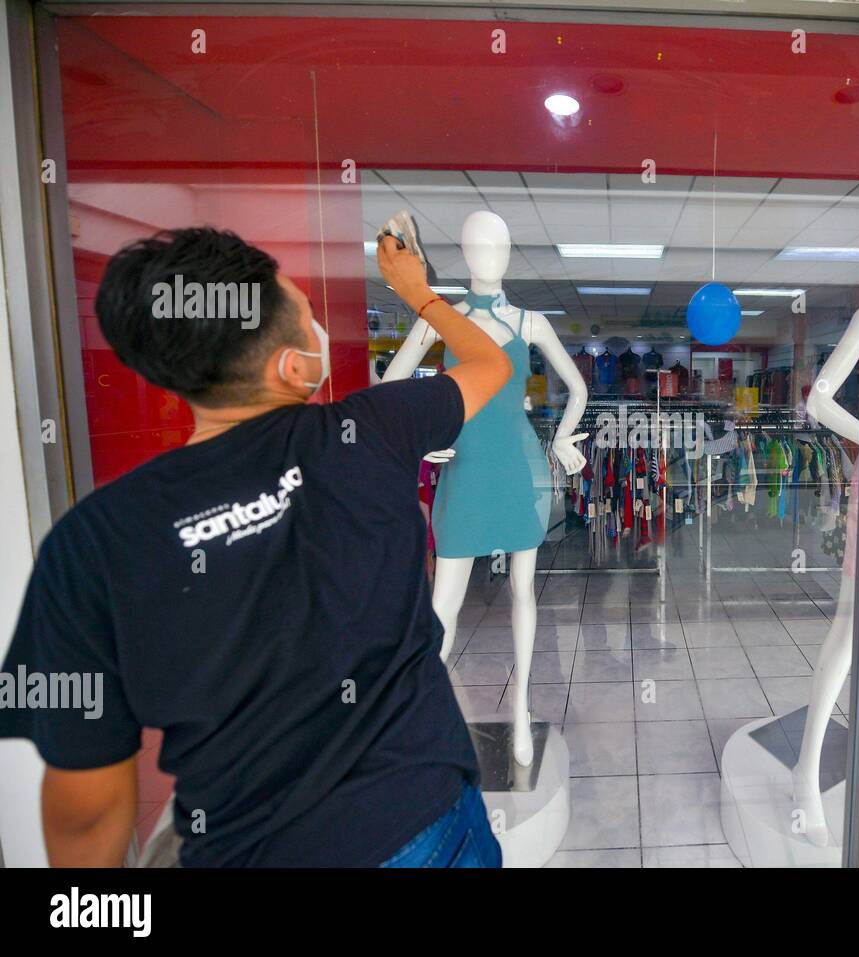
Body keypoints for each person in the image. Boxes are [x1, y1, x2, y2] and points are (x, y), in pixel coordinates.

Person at [0, 227, 512, 867]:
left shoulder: (94, 541)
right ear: (293, 365)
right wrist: (417, 291)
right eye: (305, 310)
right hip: (427, 823)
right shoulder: (374, 431)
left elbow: (85, 809)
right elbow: (490, 364)